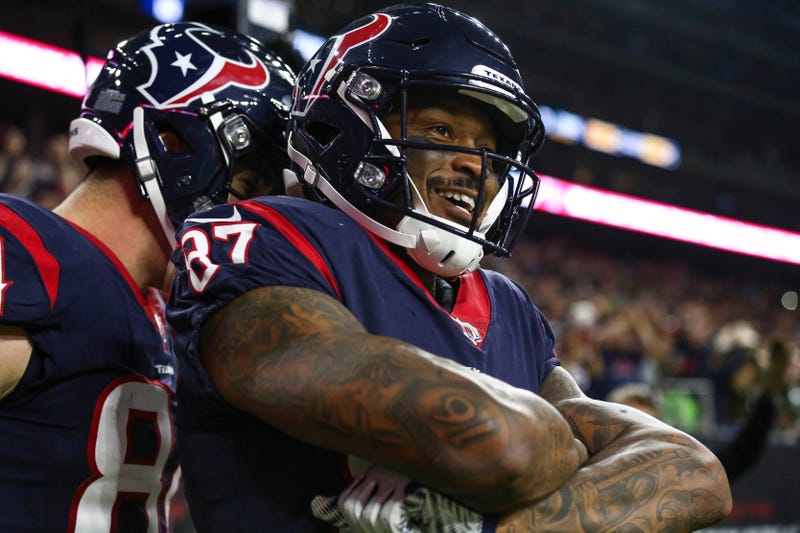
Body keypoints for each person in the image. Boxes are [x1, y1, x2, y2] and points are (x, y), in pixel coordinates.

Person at [167, 3, 731, 532]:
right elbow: (500, 443)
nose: (474, 165)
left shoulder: (502, 302)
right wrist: (548, 454)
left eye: (489, 148)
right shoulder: (268, 236)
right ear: (347, 123)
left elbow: (694, 472)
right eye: (441, 131)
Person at [0, 21, 295, 531]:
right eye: (249, 185)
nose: (254, 218)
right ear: (175, 145)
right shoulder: (26, 249)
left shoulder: (163, 309)